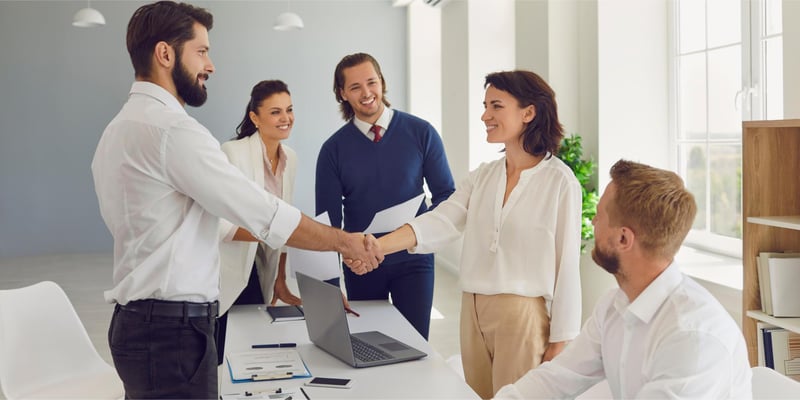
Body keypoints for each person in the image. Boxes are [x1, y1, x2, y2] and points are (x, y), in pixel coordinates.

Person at [91, 3, 381, 399]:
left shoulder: (118, 129)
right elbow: (263, 212)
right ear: (165, 54)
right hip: (171, 334)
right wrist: (345, 241)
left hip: (138, 324)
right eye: (202, 51)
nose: (210, 65)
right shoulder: (173, 132)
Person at [369, 70, 583, 399]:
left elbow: (567, 265)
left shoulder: (560, 181)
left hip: (522, 314)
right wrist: (375, 246)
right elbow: (440, 221)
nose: (485, 115)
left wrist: (561, 341)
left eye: (496, 106)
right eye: (485, 106)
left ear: (529, 112)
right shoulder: (484, 175)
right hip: (472, 309)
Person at [494, 159, 752, 399]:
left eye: (599, 215)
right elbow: (557, 378)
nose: (593, 222)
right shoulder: (614, 305)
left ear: (623, 239)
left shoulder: (693, 338)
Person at [315, 52, 455, 340]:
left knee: (415, 345)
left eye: (372, 82)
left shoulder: (422, 133)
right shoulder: (333, 150)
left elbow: (446, 197)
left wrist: (421, 234)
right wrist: (330, 286)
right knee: (370, 344)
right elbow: (327, 224)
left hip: (414, 261)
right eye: (355, 87)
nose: (367, 93)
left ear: (382, 83)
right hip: (361, 265)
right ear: (342, 94)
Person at [215, 80, 301, 363]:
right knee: (229, 346)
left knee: (252, 344)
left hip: (263, 264)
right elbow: (220, 224)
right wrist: (272, 233)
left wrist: (280, 280)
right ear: (255, 117)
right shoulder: (233, 152)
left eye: (289, 110)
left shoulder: (291, 158)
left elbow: (285, 217)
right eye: (275, 112)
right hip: (231, 265)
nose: (285, 118)